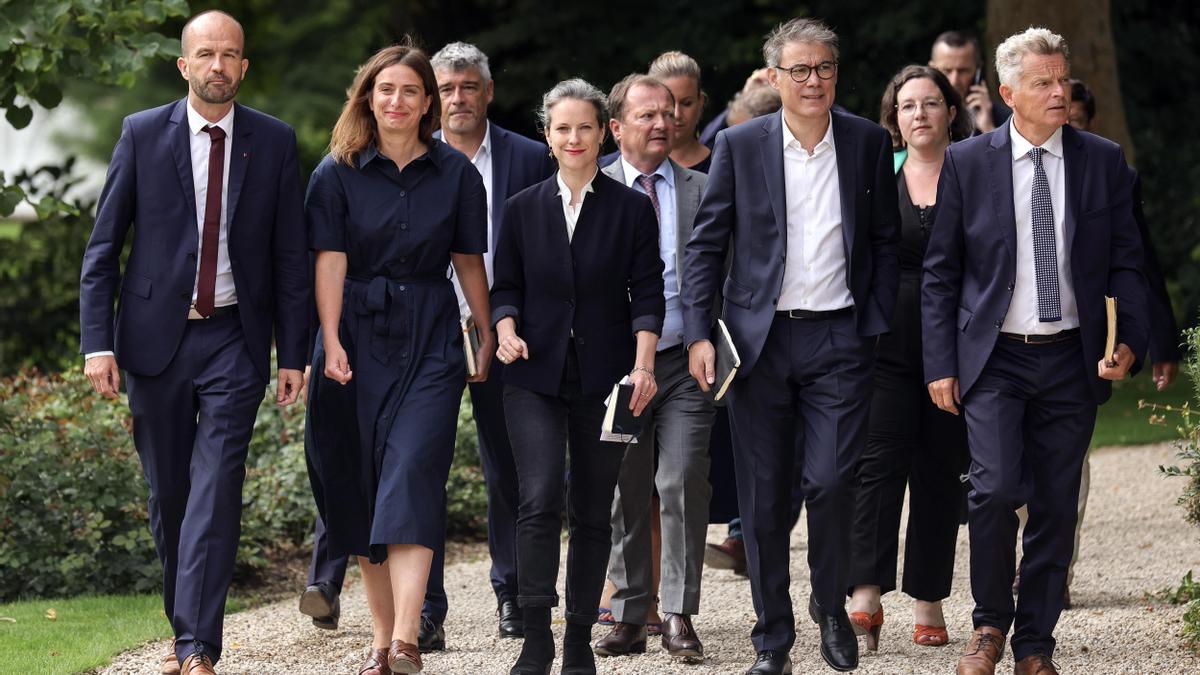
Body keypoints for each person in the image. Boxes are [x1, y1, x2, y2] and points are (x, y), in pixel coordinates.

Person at [78, 10, 308, 675]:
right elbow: (102, 251)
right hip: (154, 343)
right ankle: (188, 628)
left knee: (216, 488)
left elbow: (291, 257)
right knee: (171, 495)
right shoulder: (143, 134)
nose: (218, 65)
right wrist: (99, 342)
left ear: (243, 66)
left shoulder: (273, 140)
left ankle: (198, 649)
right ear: (184, 65)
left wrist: (292, 353)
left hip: (235, 339)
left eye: (230, 54)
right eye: (205, 53)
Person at [922, 28, 1149, 675]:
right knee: (992, 491)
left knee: (1054, 503)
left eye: (1064, 80)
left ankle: (1034, 644)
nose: (1060, 92)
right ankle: (990, 622)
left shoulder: (1102, 160)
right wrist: (940, 360)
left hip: (1071, 361)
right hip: (995, 359)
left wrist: (1127, 339)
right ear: (1008, 92)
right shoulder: (968, 162)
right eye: (1044, 82)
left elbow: (1127, 262)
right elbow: (941, 270)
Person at [682, 17, 900, 675]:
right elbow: (705, 245)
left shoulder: (864, 141)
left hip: (841, 335)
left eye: (824, 68)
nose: (813, 80)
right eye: (799, 69)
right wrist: (698, 332)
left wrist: (877, 314)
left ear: (837, 73)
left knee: (831, 479)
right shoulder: (741, 145)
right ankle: (773, 638)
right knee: (765, 496)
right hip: (760, 342)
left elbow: (886, 239)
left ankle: (829, 603)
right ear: (774, 77)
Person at [304, 42, 493, 675]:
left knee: (413, 470)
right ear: (367, 97)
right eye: (385, 89)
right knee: (360, 482)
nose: (397, 100)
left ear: (427, 103)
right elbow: (328, 261)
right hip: (353, 333)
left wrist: (485, 330)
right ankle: (383, 643)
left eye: (410, 91)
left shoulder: (457, 174)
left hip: (433, 333)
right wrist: (330, 340)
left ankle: (408, 638)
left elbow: (468, 261)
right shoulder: (336, 172)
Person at [490, 77, 665, 675]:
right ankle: (535, 636)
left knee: (593, 510)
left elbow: (647, 294)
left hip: (607, 380)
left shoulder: (631, 209)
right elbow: (504, 288)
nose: (573, 137)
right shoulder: (521, 209)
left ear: (604, 132)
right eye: (562, 128)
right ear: (547, 135)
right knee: (538, 499)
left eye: (584, 127)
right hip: (532, 378)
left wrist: (644, 366)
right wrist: (506, 328)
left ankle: (577, 644)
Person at [409, 40, 557, 649]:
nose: (458, 98)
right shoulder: (409, 158)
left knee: (512, 470)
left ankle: (514, 595)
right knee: (420, 469)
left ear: (488, 92)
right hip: (427, 331)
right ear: (430, 97)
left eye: (469, 86)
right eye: (446, 88)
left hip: (507, 329)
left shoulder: (529, 156)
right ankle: (425, 611)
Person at [845, 64, 973, 653]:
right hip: (886, 343)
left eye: (930, 103)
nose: (919, 113)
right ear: (893, 119)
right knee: (877, 466)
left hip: (957, 343)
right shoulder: (879, 173)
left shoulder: (976, 173)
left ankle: (929, 599)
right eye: (906, 106)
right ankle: (866, 595)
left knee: (940, 472)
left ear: (950, 111)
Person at [592, 73, 714, 662]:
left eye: (668, 113)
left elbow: (725, 273)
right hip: (617, 366)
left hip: (687, 361)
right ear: (615, 128)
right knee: (625, 489)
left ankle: (678, 613)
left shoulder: (703, 189)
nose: (662, 123)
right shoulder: (589, 189)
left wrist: (711, 337)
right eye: (647, 115)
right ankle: (629, 613)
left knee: (682, 479)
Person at [929, 30, 1011, 134]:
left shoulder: (1005, 118)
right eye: (946, 71)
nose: (954, 81)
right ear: (932, 69)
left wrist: (989, 129)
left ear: (978, 71)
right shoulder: (918, 115)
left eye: (963, 71)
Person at [649, 51, 712, 173]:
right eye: (669, 104)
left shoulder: (722, 167)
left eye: (686, 103)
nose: (677, 114)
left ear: (701, 102)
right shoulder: (620, 167)